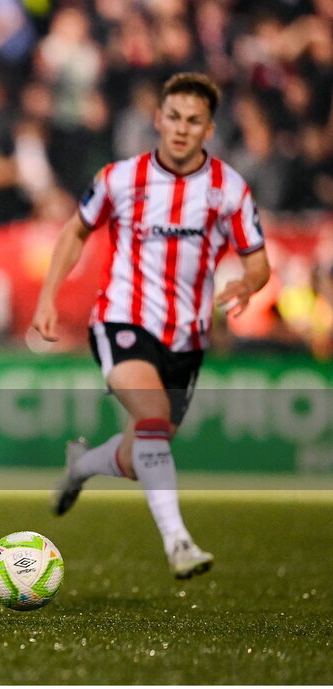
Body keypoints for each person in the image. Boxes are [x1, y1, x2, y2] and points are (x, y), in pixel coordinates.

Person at [32, 73, 271, 579]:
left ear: (208, 129)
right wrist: (49, 296)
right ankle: (179, 543)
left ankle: (82, 466)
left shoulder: (228, 188)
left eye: (194, 121)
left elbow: (258, 260)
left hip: (186, 339)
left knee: (142, 451)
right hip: (122, 319)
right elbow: (76, 231)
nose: (182, 129)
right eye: (174, 117)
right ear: (158, 119)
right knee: (153, 418)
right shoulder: (121, 178)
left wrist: (249, 284)